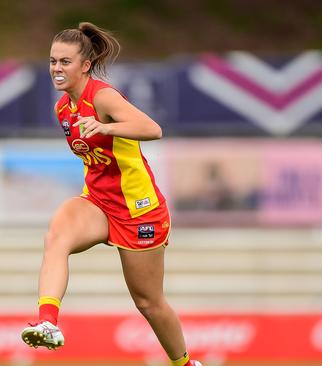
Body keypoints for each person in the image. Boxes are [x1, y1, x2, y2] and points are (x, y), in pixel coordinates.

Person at [20, 22, 202, 366]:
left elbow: (153, 129)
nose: (57, 69)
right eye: (52, 61)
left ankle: (185, 363)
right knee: (56, 236)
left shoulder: (102, 96)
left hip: (138, 210)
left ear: (85, 65)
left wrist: (107, 126)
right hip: (98, 202)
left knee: (149, 303)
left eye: (65, 62)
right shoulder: (63, 109)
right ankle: (47, 321)